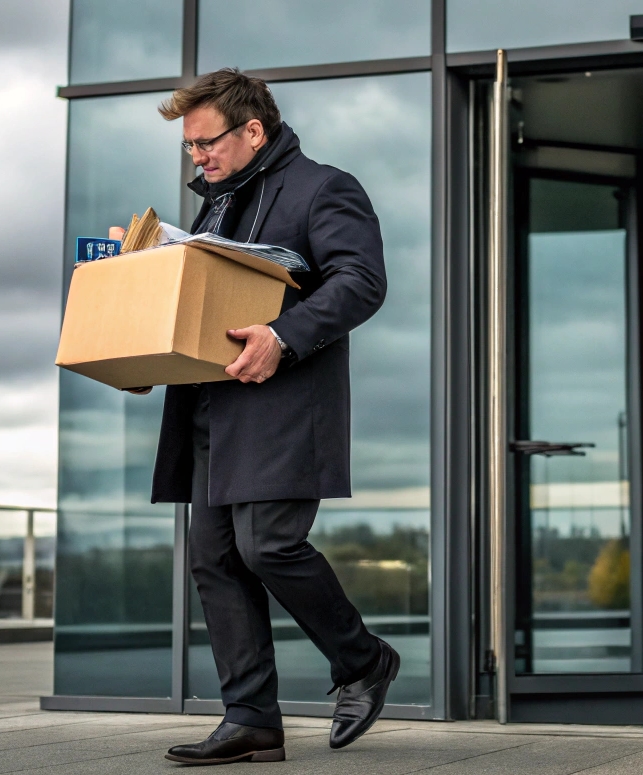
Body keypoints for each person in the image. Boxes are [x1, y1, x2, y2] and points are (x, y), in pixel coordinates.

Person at [130, 68, 396, 765]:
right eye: (188, 149)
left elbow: (361, 281)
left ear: (253, 130)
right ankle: (250, 716)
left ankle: (362, 659)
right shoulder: (213, 210)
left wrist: (283, 335)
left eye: (205, 142)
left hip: (283, 403)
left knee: (268, 545)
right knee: (214, 558)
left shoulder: (321, 187)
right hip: (209, 405)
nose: (197, 158)